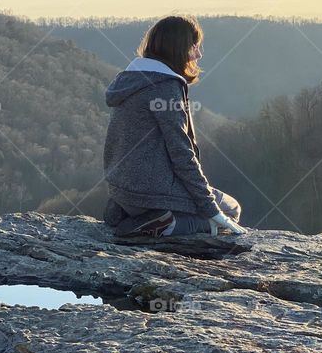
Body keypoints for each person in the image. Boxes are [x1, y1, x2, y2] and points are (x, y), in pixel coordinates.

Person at [102, 15, 247, 237]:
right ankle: (164, 224)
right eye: (194, 46)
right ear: (177, 48)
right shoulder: (165, 86)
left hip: (123, 191)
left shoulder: (131, 80)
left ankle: (135, 214)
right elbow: (182, 153)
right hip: (151, 192)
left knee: (215, 206)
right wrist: (211, 209)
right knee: (230, 208)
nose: (199, 54)